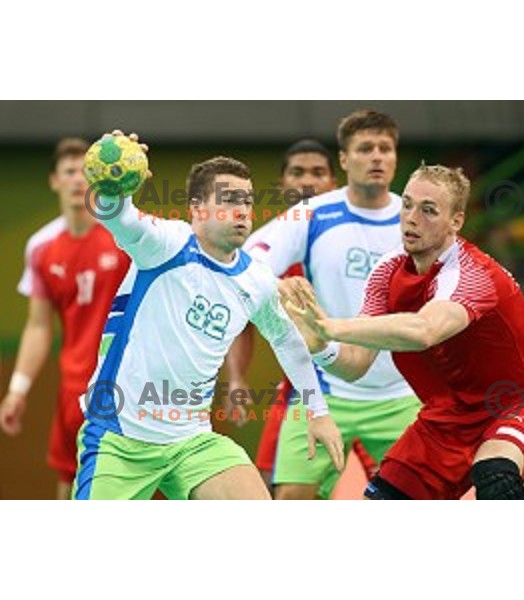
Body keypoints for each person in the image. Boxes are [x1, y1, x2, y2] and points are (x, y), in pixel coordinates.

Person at [72, 130, 343, 500]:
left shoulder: (257, 279)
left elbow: (286, 339)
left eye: (246, 201)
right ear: (198, 209)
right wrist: (110, 184)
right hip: (120, 436)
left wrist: (317, 411)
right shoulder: (165, 244)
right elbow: (118, 217)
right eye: (229, 200)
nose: (242, 210)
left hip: (193, 441)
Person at [289, 163, 524, 500]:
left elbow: (424, 330)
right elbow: (356, 364)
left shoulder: (473, 274)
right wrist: (320, 345)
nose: (411, 218)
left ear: (456, 221)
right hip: (447, 419)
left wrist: (330, 326)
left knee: (495, 477)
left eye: (429, 210)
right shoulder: (387, 271)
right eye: (406, 204)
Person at [242, 110, 422, 500]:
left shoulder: (414, 216)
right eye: (365, 148)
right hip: (324, 390)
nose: (376, 157)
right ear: (343, 159)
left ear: (395, 157)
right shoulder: (313, 213)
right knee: (290, 498)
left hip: (402, 392)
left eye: (385, 148)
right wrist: (278, 284)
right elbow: (246, 262)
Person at [0, 138, 130, 499]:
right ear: (54, 181)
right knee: (70, 485)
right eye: (69, 171)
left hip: (130, 388)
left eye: (86, 172)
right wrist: (17, 390)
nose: (78, 180)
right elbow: (39, 325)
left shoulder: (126, 234)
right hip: (74, 391)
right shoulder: (41, 247)